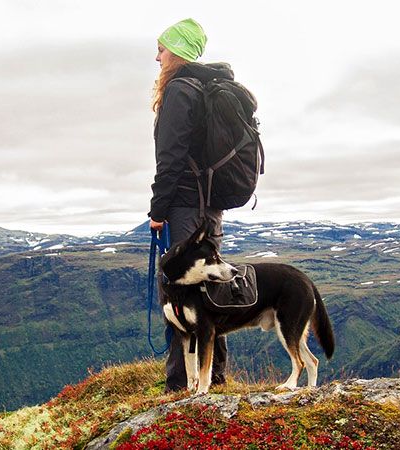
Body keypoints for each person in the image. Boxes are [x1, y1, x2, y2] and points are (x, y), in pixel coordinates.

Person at [147, 18, 235, 392]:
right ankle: (213, 377)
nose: (157, 57)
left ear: (178, 52)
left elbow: (170, 159)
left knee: (180, 290)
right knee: (209, 287)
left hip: (184, 205)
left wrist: (158, 210)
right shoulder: (206, 89)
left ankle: (179, 382)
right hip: (210, 205)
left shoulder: (180, 91)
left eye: (162, 49)